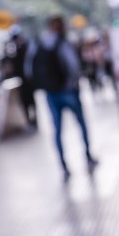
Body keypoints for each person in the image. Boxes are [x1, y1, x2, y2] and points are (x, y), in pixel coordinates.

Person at [25, 16, 97, 179]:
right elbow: (74, 65)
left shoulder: (37, 43)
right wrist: (73, 82)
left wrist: (44, 84)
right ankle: (88, 156)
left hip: (50, 93)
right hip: (69, 90)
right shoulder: (62, 42)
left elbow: (29, 69)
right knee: (81, 124)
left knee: (57, 130)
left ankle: (63, 165)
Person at [1, 25, 37, 126]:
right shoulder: (13, 48)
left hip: (27, 79)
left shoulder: (24, 46)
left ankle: (33, 119)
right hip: (21, 79)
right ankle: (29, 120)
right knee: (25, 101)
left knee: (30, 100)